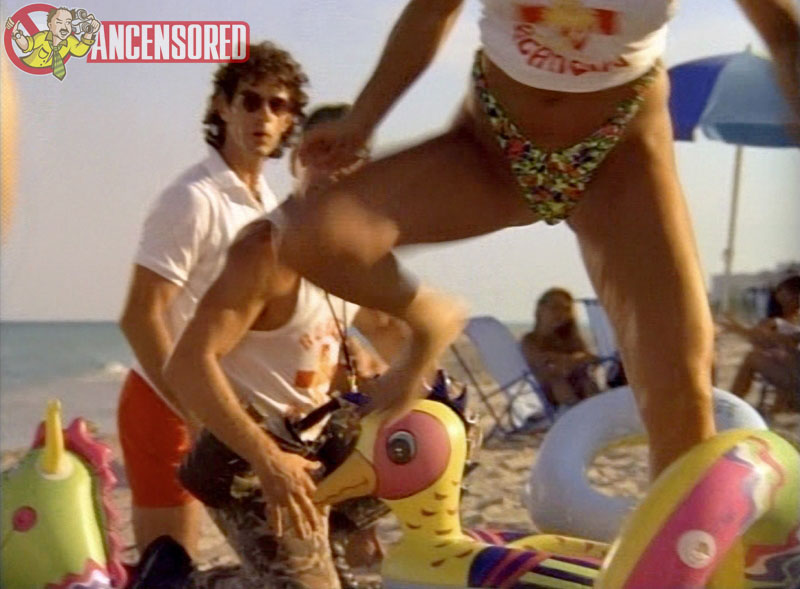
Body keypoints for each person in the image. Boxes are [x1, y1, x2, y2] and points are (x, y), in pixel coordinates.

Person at [268, 0, 800, 482]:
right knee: (311, 236)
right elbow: (433, 10)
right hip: (492, 149)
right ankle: (430, 318)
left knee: (681, 384)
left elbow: (783, 29)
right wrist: (361, 123)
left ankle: (679, 548)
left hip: (621, 156)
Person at [162, 104, 409, 589]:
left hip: (314, 448)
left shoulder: (353, 257)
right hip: (243, 461)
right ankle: (185, 582)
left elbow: (391, 334)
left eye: (354, 160)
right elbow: (186, 365)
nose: (338, 171)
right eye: (323, 153)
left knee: (446, 424)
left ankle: (323, 544)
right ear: (298, 159)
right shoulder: (265, 253)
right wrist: (268, 460)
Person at [117, 41, 308, 559]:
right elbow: (140, 316)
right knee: (169, 566)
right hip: (165, 403)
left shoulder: (270, 207)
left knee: (276, 563)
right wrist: (194, 415)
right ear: (223, 106)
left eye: (278, 105)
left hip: (233, 413)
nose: (263, 116)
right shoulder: (192, 199)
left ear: (290, 120)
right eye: (250, 100)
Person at [724, 275, 800, 413]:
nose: (778, 295)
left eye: (783, 292)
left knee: (752, 358)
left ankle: (732, 403)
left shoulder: (778, 322)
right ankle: (781, 403)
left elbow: (764, 338)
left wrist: (737, 328)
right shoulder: (780, 321)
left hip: (793, 377)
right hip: (790, 371)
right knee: (765, 353)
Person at [521, 288, 599, 407]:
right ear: (540, 309)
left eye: (566, 309)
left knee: (586, 379)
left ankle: (596, 408)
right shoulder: (530, 340)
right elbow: (543, 364)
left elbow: (591, 358)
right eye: (555, 307)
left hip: (580, 389)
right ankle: (573, 410)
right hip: (548, 395)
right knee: (557, 380)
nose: (560, 313)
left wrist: (567, 360)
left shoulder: (569, 338)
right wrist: (573, 360)